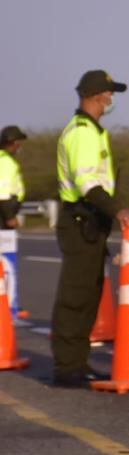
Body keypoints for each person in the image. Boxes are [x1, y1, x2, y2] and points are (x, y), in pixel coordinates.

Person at [52, 70, 129, 388]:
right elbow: (87, 184)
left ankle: (78, 362)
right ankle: (67, 367)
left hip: (91, 222)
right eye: (109, 93)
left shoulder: (93, 131)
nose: (111, 98)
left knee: (89, 295)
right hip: (80, 219)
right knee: (75, 296)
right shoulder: (81, 133)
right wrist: (119, 210)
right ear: (96, 95)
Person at [0, 125, 28, 320]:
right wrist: (10, 216)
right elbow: (3, 194)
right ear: (14, 142)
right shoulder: (6, 162)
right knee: (5, 261)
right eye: (19, 142)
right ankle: (8, 305)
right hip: (3, 216)